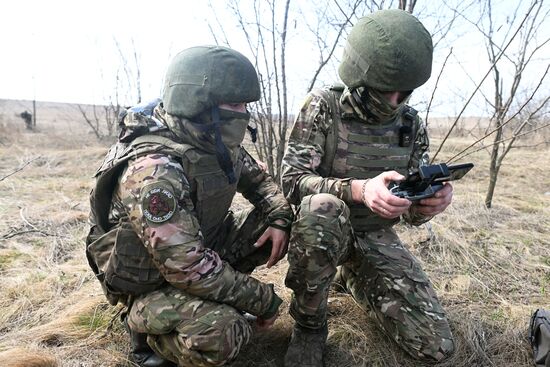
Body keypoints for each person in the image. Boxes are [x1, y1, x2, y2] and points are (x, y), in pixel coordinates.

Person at [86, 45, 294, 367]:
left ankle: (215, 297)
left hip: (197, 254)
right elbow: (188, 269)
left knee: (294, 215)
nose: (244, 113)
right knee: (224, 332)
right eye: (236, 104)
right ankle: (146, 333)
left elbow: (260, 182)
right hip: (149, 282)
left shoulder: (212, 140)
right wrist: (263, 299)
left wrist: (279, 218)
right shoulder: (154, 171)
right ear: (201, 105)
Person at [281, 9, 455, 367]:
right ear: (360, 77)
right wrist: (359, 190)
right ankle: (309, 325)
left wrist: (426, 204)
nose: (394, 101)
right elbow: (292, 182)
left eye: (403, 93)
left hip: (375, 237)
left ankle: (352, 276)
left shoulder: (409, 123)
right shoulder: (322, 107)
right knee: (322, 209)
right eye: (383, 91)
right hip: (322, 232)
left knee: (434, 346)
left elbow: (408, 208)